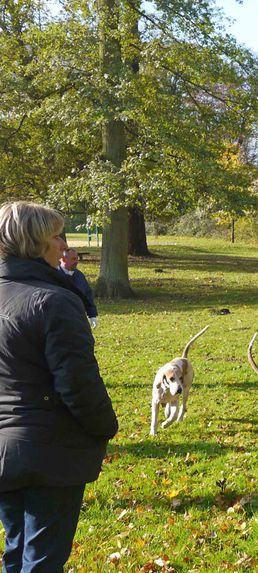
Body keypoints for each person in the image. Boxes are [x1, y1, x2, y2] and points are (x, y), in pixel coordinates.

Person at [0, 201, 119, 571]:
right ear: (37, 244)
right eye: (56, 236)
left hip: (5, 449)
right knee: (41, 561)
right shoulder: (54, 301)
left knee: (17, 551)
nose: (63, 245)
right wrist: (106, 426)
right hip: (49, 453)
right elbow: (77, 383)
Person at [59, 248, 99, 328]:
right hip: (60, 319)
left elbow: (87, 295)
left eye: (77, 259)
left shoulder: (79, 275)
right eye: (73, 259)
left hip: (78, 318)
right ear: (63, 259)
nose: (76, 262)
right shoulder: (54, 275)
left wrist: (92, 315)